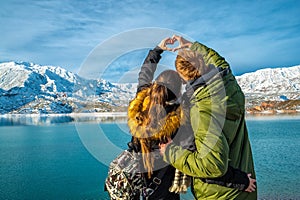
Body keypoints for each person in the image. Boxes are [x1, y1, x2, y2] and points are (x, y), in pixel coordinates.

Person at [127, 37, 256, 200]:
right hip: (164, 192)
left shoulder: (140, 105)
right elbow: (206, 164)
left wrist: (157, 50)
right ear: (179, 90)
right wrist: (240, 180)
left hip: (137, 186)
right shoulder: (182, 120)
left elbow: (145, 73)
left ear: (154, 86)